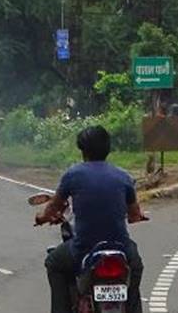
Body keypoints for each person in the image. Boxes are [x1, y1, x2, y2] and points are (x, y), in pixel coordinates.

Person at [36, 125, 147, 313]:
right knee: (135, 267)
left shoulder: (73, 174)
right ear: (107, 148)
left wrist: (41, 217)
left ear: (83, 150)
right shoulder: (123, 176)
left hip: (84, 247)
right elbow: (134, 213)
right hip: (120, 246)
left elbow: (54, 205)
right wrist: (137, 217)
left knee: (53, 263)